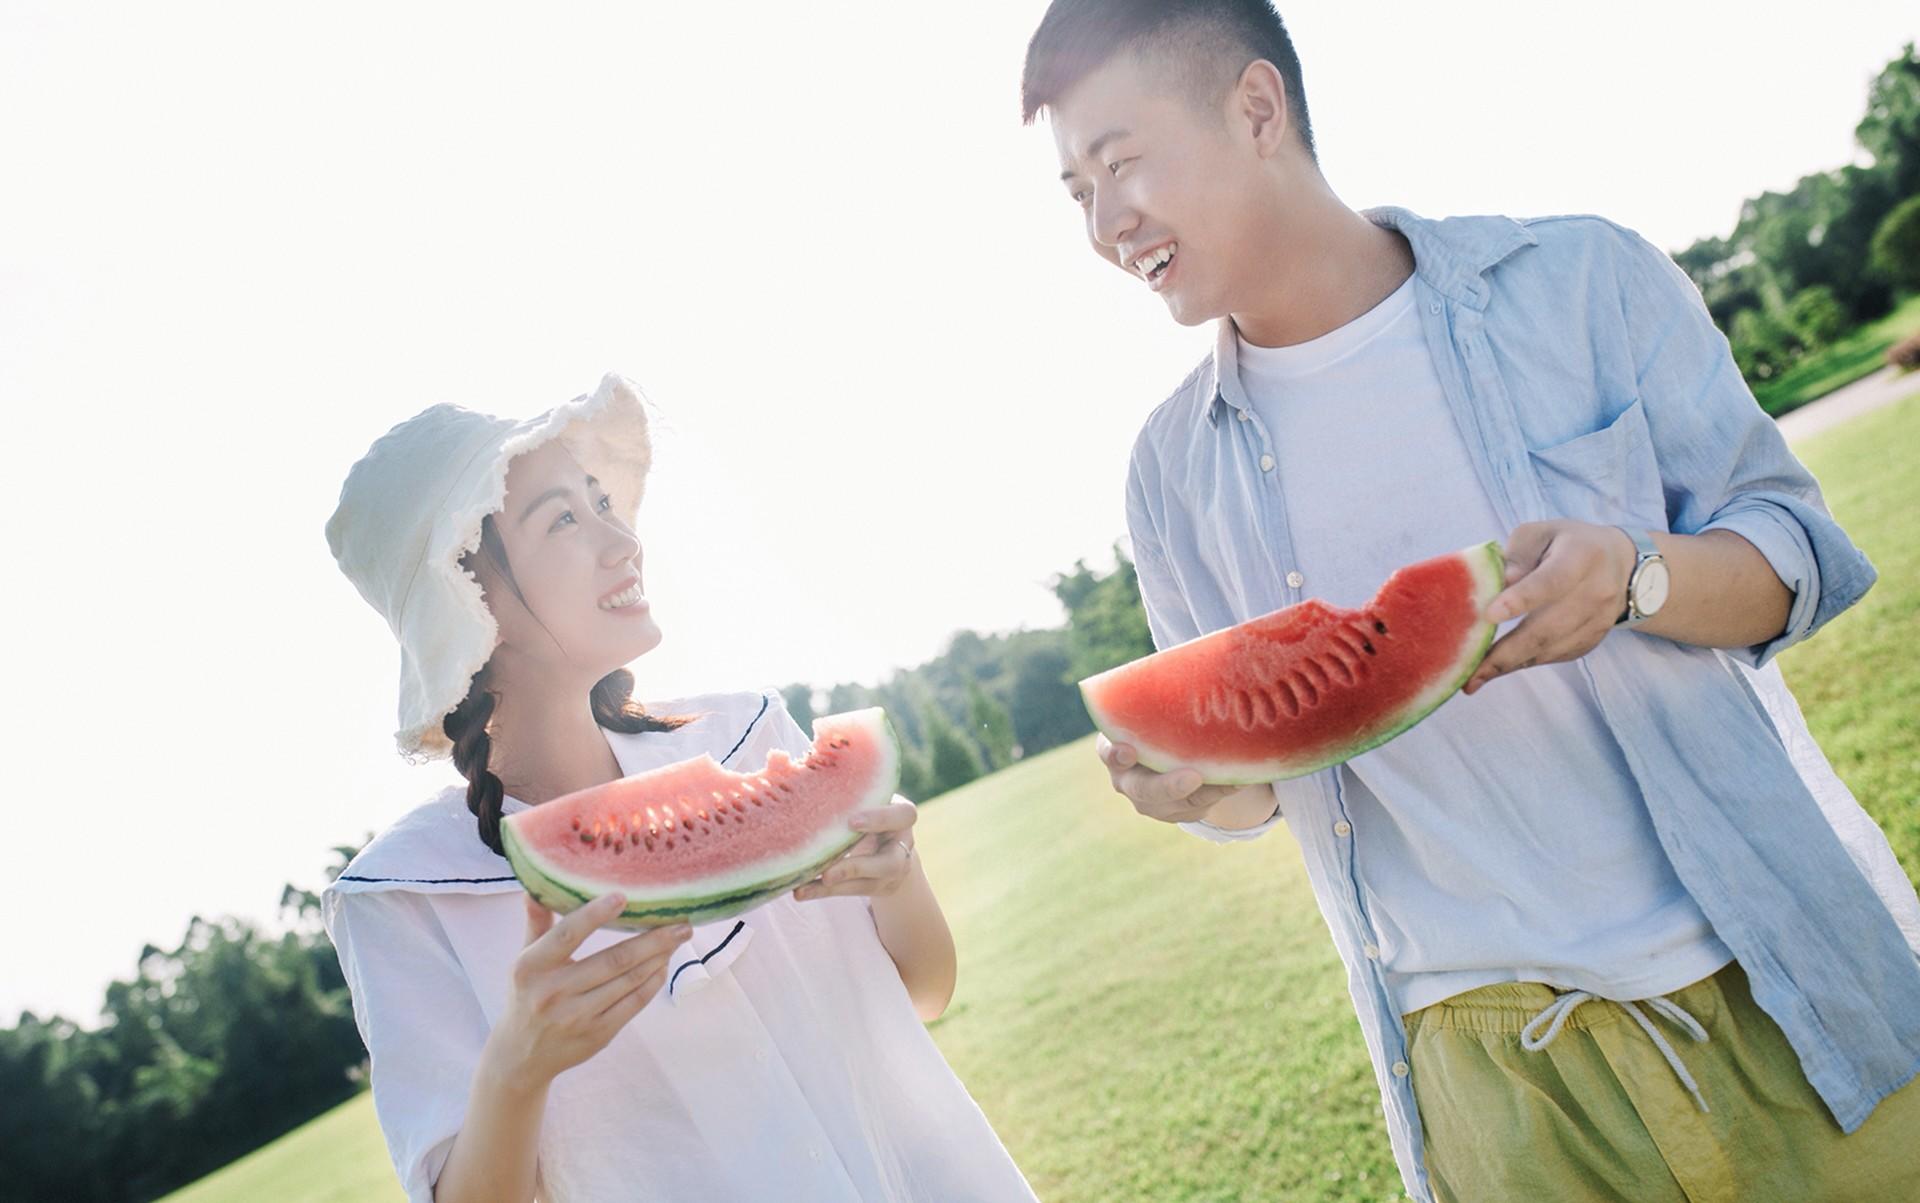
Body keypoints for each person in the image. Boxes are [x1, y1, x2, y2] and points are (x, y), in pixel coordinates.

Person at [1018, 2, 1920, 1200]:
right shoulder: (1170, 473)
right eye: (1075, 188)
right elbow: (1265, 787)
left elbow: (1796, 554)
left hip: (1775, 977)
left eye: (1123, 161)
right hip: (1490, 1081)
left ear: (1255, 109)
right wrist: (1194, 786)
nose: (1105, 220)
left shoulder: (1579, 280)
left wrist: (1637, 574)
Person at [322, 374, 1035, 1202]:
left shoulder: (747, 734)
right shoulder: (402, 895)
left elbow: (924, 989)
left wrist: (898, 875)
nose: (622, 538)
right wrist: (518, 1066)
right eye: (563, 518)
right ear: (469, 597)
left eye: (602, 502)